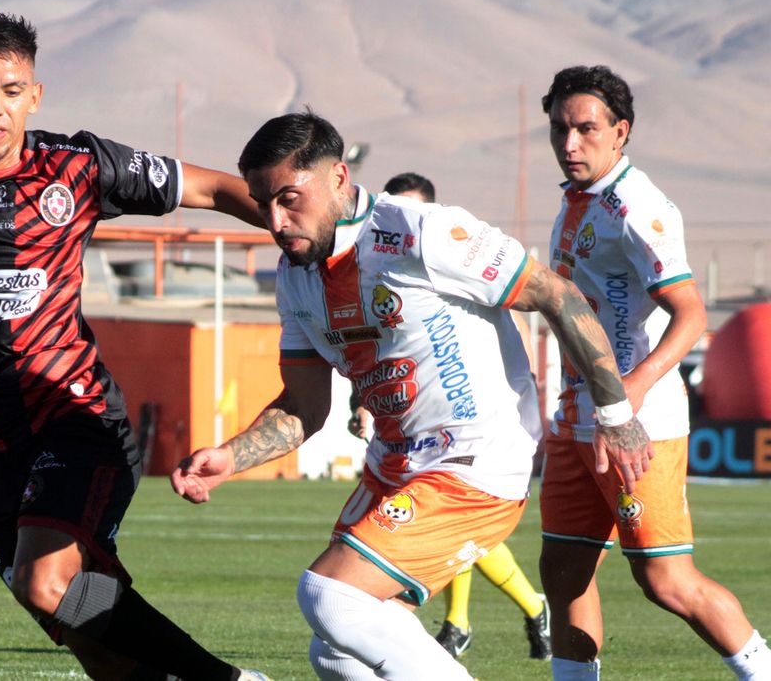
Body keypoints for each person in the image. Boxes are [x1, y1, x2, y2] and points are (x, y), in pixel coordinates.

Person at [0, 0, 269, 681]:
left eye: (11, 92)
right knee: (90, 632)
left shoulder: (79, 168)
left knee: (46, 584)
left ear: (35, 96)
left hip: (77, 421)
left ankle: (226, 680)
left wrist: (302, 233)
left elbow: (209, 187)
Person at [172, 110, 651, 679]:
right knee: (334, 651)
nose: (275, 220)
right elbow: (304, 406)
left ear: (339, 179)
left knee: (329, 595)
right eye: (262, 202)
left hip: (475, 463)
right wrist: (231, 456)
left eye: (288, 198)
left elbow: (560, 296)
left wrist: (616, 415)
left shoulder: (425, 233)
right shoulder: (296, 279)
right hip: (396, 467)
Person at [539, 65, 771, 681]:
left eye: (585, 130)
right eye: (559, 129)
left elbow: (692, 315)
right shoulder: (576, 200)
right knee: (563, 570)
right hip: (576, 414)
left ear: (621, 132)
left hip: (637, 422)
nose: (569, 144)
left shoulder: (638, 206)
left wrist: (625, 405)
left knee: (665, 579)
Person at [344, 171, 552, 662]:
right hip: (409, 449)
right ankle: (488, 617)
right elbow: (378, 355)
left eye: (411, 210)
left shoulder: (456, 268)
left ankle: (486, 617)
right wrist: (363, 403)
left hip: (473, 449)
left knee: (448, 531)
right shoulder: (381, 272)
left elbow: (518, 334)